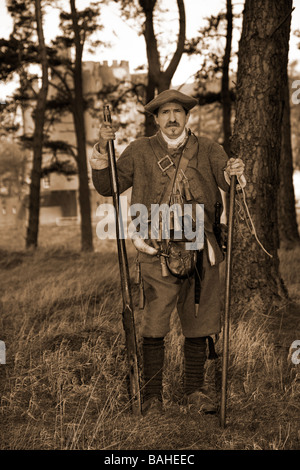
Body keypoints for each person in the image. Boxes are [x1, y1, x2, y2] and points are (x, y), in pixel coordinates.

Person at [90, 89, 245, 416]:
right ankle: (152, 398)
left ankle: (194, 392)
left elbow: (228, 181)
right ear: (156, 118)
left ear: (187, 117)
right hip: (155, 248)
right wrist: (102, 152)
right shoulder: (139, 150)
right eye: (165, 113)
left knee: (199, 322)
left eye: (178, 112)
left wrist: (234, 171)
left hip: (202, 245)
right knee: (154, 325)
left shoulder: (208, 149)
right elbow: (109, 186)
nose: (172, 118)